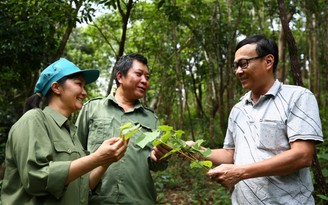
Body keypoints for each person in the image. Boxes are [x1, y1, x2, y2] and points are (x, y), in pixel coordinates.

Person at [189, 35, 323, 204]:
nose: (238, 71)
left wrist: (241, 172)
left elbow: (303, 155)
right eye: (236, 66)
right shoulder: (238, 109)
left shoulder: (298, 97)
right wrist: (198, 150)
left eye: (243, 64)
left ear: (268, 61)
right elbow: (231, 154)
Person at [1, 58, 128, 205]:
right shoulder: (33, 119)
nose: (85, 92)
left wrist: (106, 161)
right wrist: (96, 158)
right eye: (79, 84)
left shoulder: (71, 132)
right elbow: (35, 180)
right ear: (56, 87)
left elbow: (84, 188)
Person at [75, 53, 171, 205]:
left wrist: (159, 157)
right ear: (120, 76)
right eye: (139, 74)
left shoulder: (151, 119)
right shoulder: (92, 109)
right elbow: (75, 153)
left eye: (147, 76)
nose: (145, 81)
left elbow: (157, 165)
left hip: (139, 199)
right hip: (96, 200)